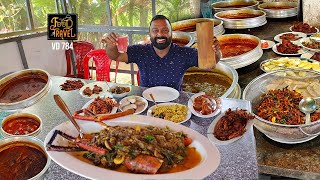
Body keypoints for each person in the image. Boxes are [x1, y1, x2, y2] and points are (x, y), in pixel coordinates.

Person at [101, 15, 221, 91]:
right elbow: (116, 56)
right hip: (147, 102)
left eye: (165, 30)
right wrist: (111, 46)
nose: (160, 34)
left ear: (171, 33)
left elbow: (210, 64)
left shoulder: (183, 53)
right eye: (155, 31)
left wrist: (215, 51)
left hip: (175, 105)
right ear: (150, 34)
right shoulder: (141, 51)